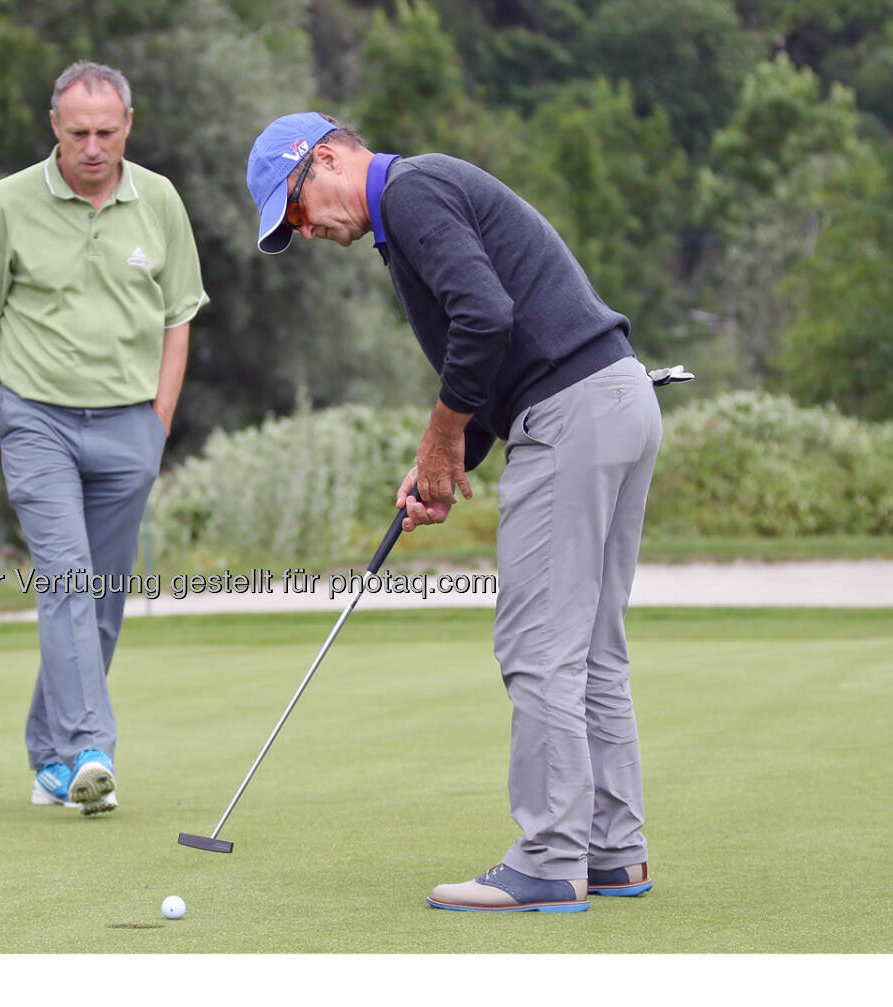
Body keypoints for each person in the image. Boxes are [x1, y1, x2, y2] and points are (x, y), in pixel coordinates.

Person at [246, 113, 664, 911]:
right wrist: (444, 464)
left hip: (573, 411)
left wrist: (441, 438)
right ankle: (614, 852)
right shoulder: (412, 203)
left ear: (325, 157)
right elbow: (497, 344)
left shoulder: (411, 190)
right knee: (591, 647)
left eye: (296, 208)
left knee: (538, 642)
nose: (305, 230)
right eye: (289, 226)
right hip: (616, 398)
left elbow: (485, 317)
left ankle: (548, 857)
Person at [0, 61, 208, 816]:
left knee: (100, 601)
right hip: (36, 421)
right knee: (65, 579)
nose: (93, 147)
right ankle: (92, 747)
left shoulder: (158, 200)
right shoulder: (5, 204)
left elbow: (178, 319)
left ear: (128, 126)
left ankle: (50, 761)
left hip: (129, 425)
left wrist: (156, 424)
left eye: (107, 132)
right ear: (54, 127)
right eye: (78, 131)